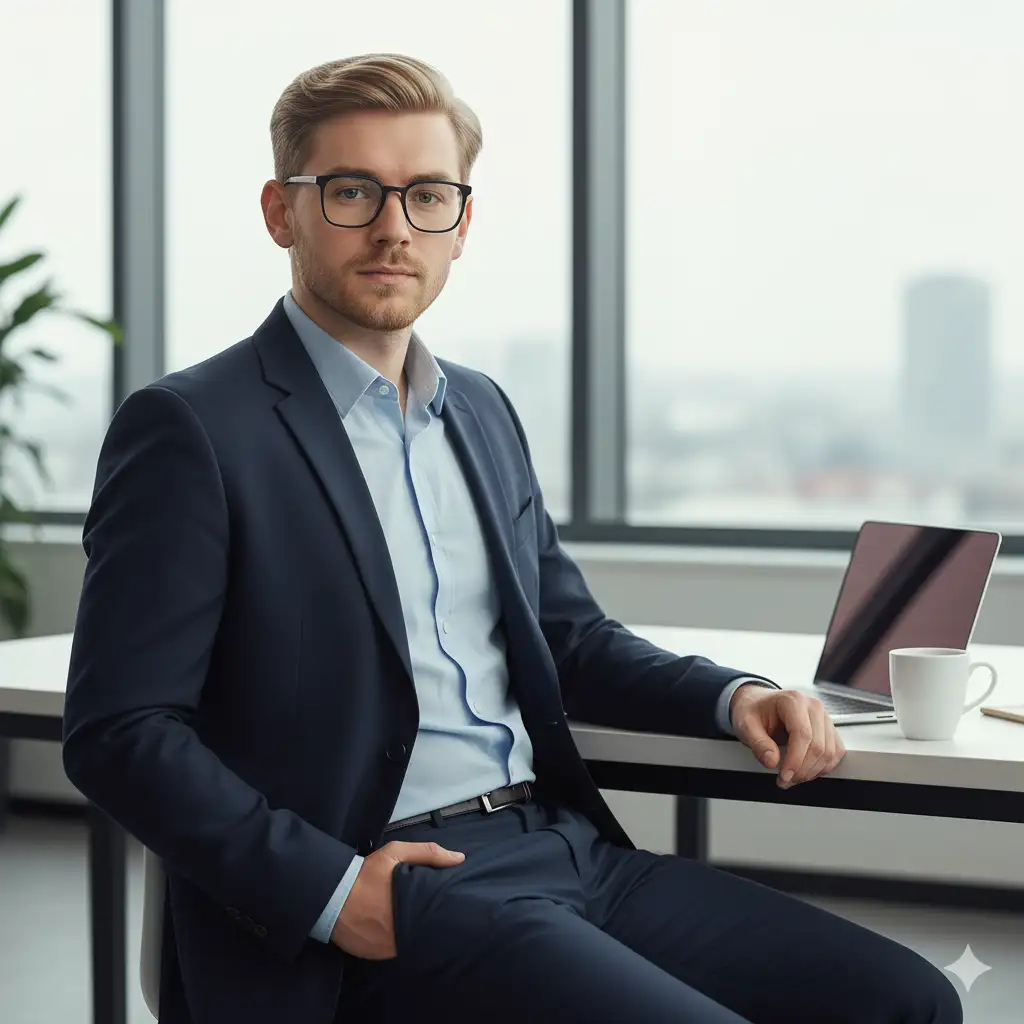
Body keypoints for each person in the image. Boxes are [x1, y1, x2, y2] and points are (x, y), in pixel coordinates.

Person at [61, 53, 962, 1024]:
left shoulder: (478, 412)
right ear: (284, 213)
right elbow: (121, 731)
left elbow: (567, 639)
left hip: (560, 842)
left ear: (463, 222)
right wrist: (332, 891)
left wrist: (729, 693)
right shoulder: (194, 427)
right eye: (353, 191)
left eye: (428, 195)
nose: (394, 228)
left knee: (908, 1002)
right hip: (392, 883)